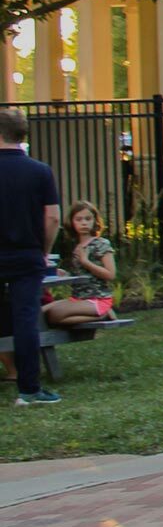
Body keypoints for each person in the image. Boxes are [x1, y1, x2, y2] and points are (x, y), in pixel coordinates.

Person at [0, 108, 61, 403]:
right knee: (26, 319)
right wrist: (44, 250)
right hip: (26, 255)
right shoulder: (40, 171)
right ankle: (29, 389)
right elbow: (52, 218)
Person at [45, 201, 114, 329]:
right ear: (72, 222)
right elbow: (81, 275)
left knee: (55, 315)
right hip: (78, 298)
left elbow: (110, 274)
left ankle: (103, 314)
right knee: (41, 312)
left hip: (97, 299)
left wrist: (86, 262)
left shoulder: (101, 244)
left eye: (88, 219)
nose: (84, 223)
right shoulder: (77, 246)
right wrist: (65, 274)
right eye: (79, 219)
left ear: (95, 221)